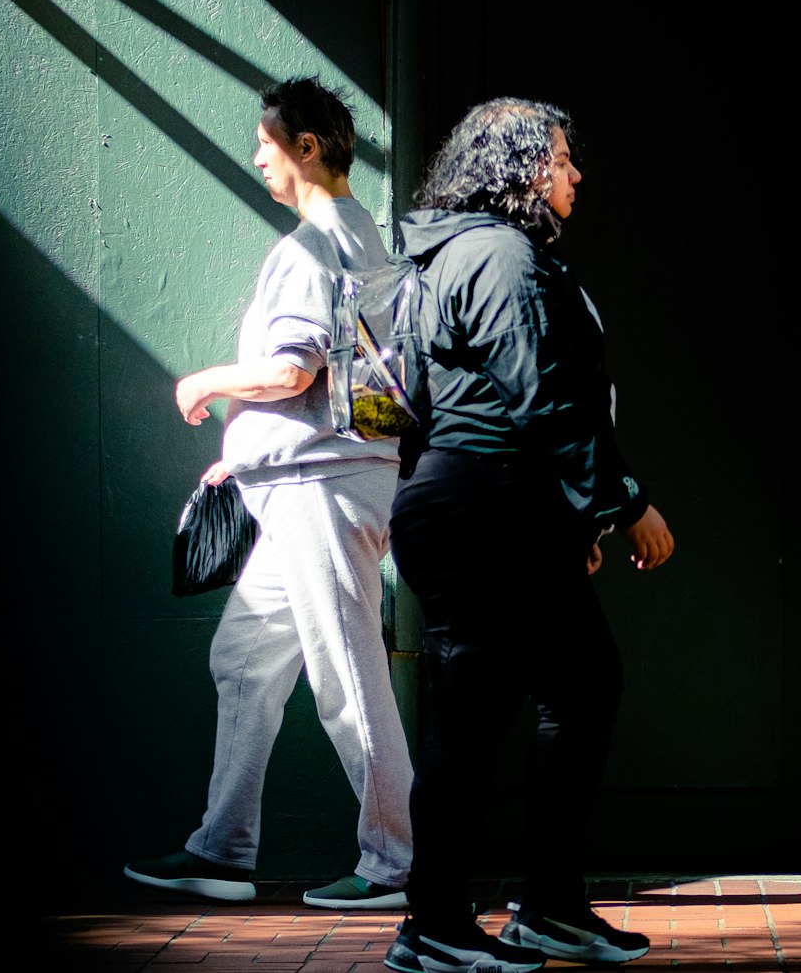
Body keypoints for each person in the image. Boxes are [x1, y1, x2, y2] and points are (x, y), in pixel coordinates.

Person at [382, 98, 674, 973]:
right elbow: (546, 396)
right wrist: (623, 503)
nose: (574, 173)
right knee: (475, 718)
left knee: (581, 684)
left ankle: (547, 908)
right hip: (484, 509)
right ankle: (432, 923)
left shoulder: (448, 256)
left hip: (483, 506)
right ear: (517, 170)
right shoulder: (502, 255)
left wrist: (564, 515)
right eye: (558, 158)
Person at [124, 77, 413, 910]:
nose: (258, 156)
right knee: (245, 662)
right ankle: (223, 849)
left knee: (347, 677)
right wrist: (246, 455)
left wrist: (208, 382)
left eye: (266, 142)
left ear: (306, 148)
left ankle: (398, 863)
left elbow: (294, 368)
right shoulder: (362, 236)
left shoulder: (311, 245)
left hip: (321, 491)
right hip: (304, 482)